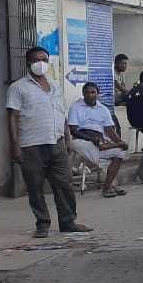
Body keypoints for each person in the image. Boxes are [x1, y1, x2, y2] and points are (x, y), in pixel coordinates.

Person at [6, 47, 92, 237]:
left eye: (44, 59)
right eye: (36, 60)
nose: (41, 63)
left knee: (64, 184)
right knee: (35, 186)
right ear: (28, 63)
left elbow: (62, 114)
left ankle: (68, 222)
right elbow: (13, 116)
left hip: (57, 142)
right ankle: (42, 224)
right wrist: (14, 145)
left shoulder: (55, 86)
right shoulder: (18, 87)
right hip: (31, 144)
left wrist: (68, 138)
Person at [69, 82, 129, 197]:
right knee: (100, 148)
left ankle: (107, 186)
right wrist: (91, 139)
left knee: (120, 152)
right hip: (82, 139)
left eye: (93, 92)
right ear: (83, 94)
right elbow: (74, 131)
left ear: (98, 94)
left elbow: (110, 130)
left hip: (99, 138)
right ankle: (111, 185)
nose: (90, 95)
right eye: (87, 93)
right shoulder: (75, 107)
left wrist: (119, 141)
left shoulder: (103, 109)